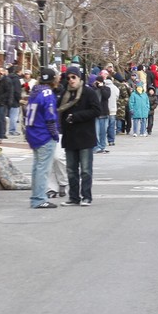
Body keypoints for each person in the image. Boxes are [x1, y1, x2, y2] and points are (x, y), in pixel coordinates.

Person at [59, 66, 102, 206]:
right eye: (68, 78)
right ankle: (73, 197)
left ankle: (86, 196)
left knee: (85, 170)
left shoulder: (88, 92)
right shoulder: (65, 94)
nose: (71, 80)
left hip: (85, 136)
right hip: (70, 137)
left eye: (73, 77)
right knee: (71, 170)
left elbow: (96, 110)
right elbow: (59, 112)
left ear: (79, 78)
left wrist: (76, 116)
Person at [25, 67, 60, 209]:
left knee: (37, 166)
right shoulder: (48, 94)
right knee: (43, 168)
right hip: (43, 134)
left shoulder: (34, 92)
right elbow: (50, 118)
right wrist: (55, 135)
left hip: (32, 132)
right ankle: (39, 198)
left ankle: (36, 195)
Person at [94, 72, 111, 154]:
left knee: (103, 132)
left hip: (104, 113)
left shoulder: (106, 89)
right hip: (96, 114)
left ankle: (102, 146)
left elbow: (106, 96)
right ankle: (97, 146)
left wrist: (102, 88)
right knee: (96, 132)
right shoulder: (93, 90)